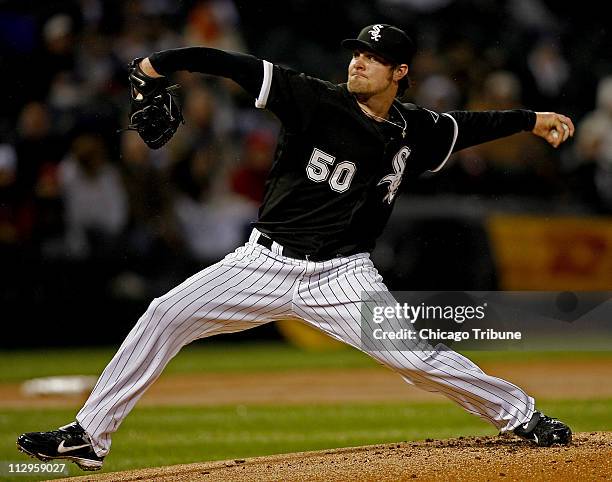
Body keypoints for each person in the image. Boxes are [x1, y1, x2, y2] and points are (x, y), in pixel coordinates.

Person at [17, 24, 574, 471]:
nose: (357, 62)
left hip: (343, 277)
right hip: (262, 263)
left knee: (418, 360)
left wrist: (532, 120)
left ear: (399, 73)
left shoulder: (413, 127)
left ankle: (519, 414)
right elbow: (232, 64)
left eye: (372, 58)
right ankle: (89, 435)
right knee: (164, 314)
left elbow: (466, 126)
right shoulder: (312, 98)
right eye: (355, 53)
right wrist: (155, 64)